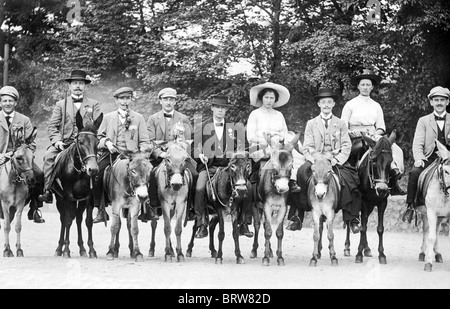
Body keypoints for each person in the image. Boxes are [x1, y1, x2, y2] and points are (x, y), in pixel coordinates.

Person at [292, 87, 361, 233]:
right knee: (301, 172)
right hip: (316, 160)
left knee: (352, 178)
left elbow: (346, 145)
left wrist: (338, 159)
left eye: (329, 102)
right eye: (323, 102)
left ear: (334, 104)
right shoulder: (311, 123)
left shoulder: (341, 123)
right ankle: (297, 216)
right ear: (319, 104)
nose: (326, 105)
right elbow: (307, 146)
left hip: (335, 160)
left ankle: (352, 218)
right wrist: (314, 159)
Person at [193, 94, 252, 238]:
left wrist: (238, 153)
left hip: (230, 168)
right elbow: (193, 147)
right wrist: (200, 155)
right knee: (200, 188)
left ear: (226, 110)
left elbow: (245, 147)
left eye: (223, 108)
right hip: (210, 167)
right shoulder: (202, 126)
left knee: (248, 187)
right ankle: (202, 224)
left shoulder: (234, 127)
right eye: (217, 107)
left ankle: (243, 222)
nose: (220, 110)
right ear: (212, 108)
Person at [93, 87, 154, 224]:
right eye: (122, 98)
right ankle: (101, 209)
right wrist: (107, 143)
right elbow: (98, 138)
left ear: (131, 100)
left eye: (127, 98)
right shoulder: (108, 118)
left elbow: (145, 141)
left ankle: (146, 208)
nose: (125, 102)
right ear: (116, 100)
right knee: (98, 174)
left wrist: (141, 152)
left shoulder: (138, 118)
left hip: (133, 157)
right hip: (112, 155)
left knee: (148, 172)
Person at [38, 69, 101, 203]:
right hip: (65, 143)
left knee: (100, 161)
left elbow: (97, 126)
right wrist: (57, 142)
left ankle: (100, 198)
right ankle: (47, 190)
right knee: (48, 157)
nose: (78, 86)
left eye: (81, 83)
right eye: (75, 83)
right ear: (70, 86)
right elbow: (52, 126)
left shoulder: (93, 104)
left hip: (86, 143)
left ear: (85, 86)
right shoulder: (61, 104)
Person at [341, 69, 406, 196]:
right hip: (355, 136)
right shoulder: (350, 104)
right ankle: (350, 182)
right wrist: (353, 133)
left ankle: (393, 180)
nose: (365, 87)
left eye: (368, 85)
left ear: (372, 87)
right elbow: (343, 125)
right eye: (363, 85)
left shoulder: (376, 105)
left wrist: (376, 133)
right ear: (358, 86)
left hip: (373, 136)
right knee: (356, 150)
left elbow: (381, 126)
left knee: (392, 149)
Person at [146, 87, 198, 222]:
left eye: (171, 99)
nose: (168, 102)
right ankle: (153, 206)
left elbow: (188, 141)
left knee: (194, 174)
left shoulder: (183, 118)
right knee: (151, 173)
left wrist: (180, 151)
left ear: (175, 102)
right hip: (161, 157)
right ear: (160, 101)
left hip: (179, 157)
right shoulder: (153, 119)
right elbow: (149, 141)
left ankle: (191, 208)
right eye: (165, 99)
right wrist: (160, 153)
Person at [402, 86, 450, 223]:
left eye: (442, 100)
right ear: (431, 102)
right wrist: (419, 158)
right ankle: (410, 207)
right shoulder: (423, 121)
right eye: (436, 100)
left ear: (447, 102)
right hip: (430, 159)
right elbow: (417, 143)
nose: (439, 103)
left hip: (449, 160)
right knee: (414, 173)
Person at [0, 86, 45, 223]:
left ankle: (35, 208)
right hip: (0, 158)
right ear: (0, 103)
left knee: (39, 174)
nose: (8, 103)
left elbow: (31, 144)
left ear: (15, 103)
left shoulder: (24, 120)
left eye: (11, 101)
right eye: (5, 100)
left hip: (20, 159)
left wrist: (19, 153)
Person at [246, 81, 301, 193]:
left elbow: (285, 133)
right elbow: (250, 137)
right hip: (259, 145)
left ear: (275, 99)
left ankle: (292, 180)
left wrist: (280, 139)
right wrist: (269, 141)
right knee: (276, 155)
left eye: (272, 98)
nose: (269, 100)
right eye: (266, 97)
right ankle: (266, 185)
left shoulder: (279, 115)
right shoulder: (255, 114)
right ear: (261, 98)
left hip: (278, 145)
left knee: (294, 155)